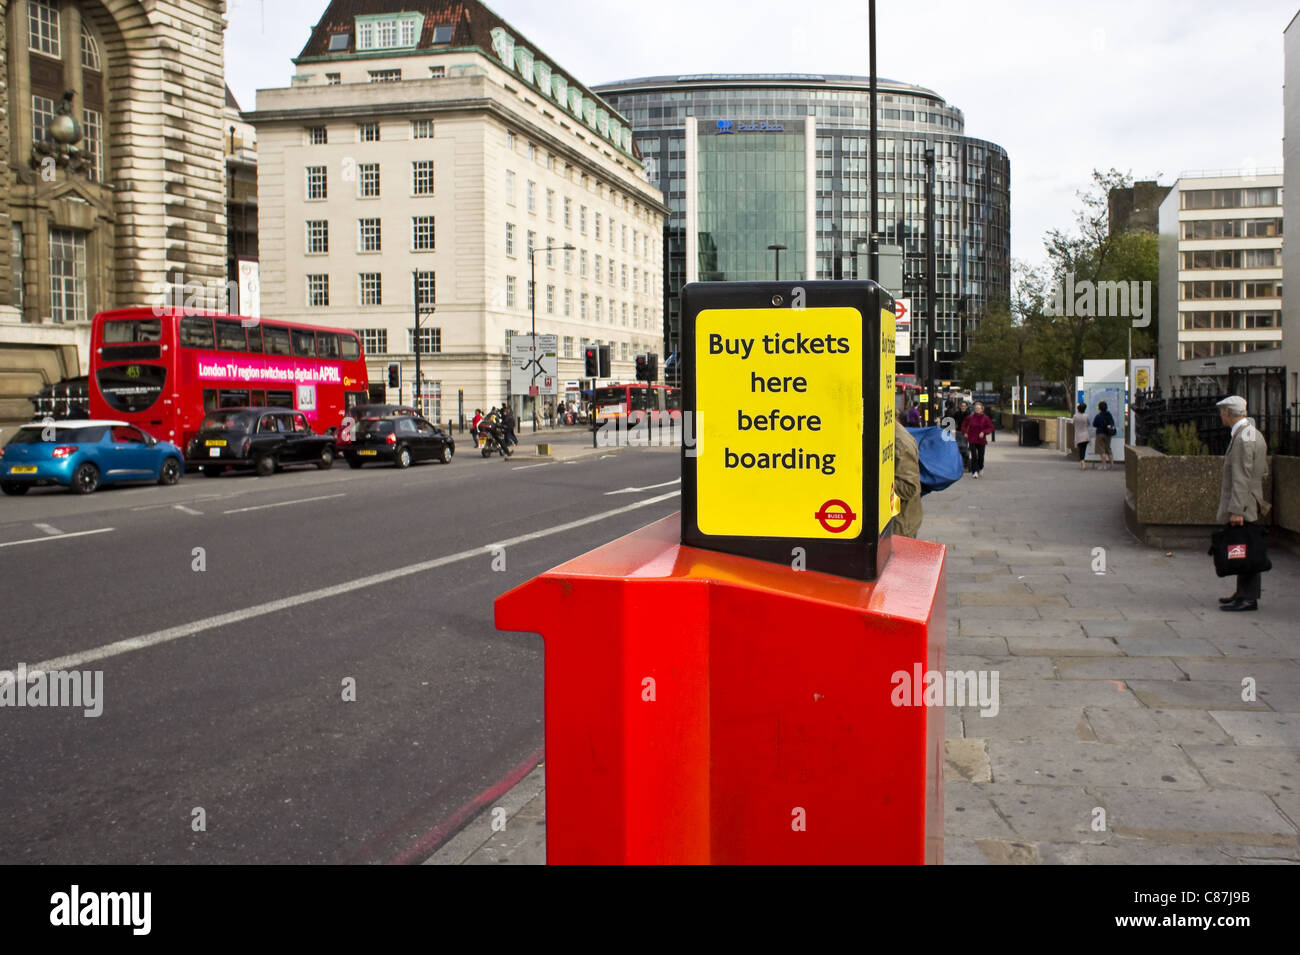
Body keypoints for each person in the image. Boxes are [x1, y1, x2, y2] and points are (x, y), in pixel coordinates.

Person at [1215, 395, 1270, 612]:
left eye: (1222, 412)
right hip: (1250, 500)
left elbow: (1242, 475)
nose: (1221, 415)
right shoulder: (1250, 432)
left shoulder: (1243, 438)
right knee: (1244, 548)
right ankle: (1242, 593)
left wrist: (1237, 509)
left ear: (1228, 413)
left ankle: (1248, 597)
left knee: (1246, 550)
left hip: (1244, 504)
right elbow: (1262, 470)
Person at [893, 420, 923, 537]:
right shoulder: (892, 433)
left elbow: (909, 487)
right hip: (899, 522)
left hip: (899, 525)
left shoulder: (899, 442)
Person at [960, 401, 994, 478]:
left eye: (979, 408)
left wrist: (984, 432)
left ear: (982, 409)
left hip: (981, 440)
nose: (977, 410)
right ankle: (974, 471)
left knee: (981, 456)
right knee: (974, 456)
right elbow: (963, 425)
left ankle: (981, 467)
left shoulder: (986, 418)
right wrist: (965, 432)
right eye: (976, 408)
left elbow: (990, 427)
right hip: (972, 439)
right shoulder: (970, 417)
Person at [1092, 400, 1116, 471]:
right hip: (1108, 434)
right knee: (1108, 448)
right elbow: (1112, 423)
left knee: (1102, 450)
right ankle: (1112, 464)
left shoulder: (1098, 416)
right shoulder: (1109, 415)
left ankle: (1104, 465)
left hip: (1100, 433)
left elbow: (1094, 424)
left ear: (1099, 408)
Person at [1071, 402, 1092, 471]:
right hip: (1085, 435)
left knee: (1081, 450)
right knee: (1083, 449)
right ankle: (1082, 461)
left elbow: (1073, 423)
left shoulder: (1075, 416)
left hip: (1078, 436)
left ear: (1078, 409)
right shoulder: (1086, 416)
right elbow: (1089, 424)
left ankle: (1082, 462)